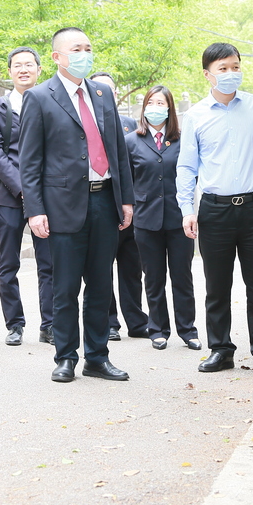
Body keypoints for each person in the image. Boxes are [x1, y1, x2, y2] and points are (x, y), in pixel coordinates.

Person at [18, 28, 135, 383]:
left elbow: (117, 151)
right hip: (62, 206)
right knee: (65, 288)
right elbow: (29, 160)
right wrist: (35, 209)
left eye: (87, 47)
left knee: (101, 285)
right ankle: (65, 356)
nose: (84, 54)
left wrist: (126, 199)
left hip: (104, 200)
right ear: (57, 57)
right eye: (76, 49)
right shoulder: (39, 97)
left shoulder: (102, 93)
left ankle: (97, 357)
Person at [177, 42, 253, 376]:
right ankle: (221, 349)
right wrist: (187, 208)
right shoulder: (195, 115)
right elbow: (186, 167)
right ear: (207, 74)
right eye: (222, 68)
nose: (230, 74)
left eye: (235, 67)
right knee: (217, 285)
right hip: (214, 210)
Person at [0, 47, 54, 347]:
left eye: (29, 65)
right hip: (9, 197)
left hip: (48, 197)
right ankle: (15, 324)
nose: (23, 69)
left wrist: (39, 191)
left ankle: (49, 324)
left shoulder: (52, 103)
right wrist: (25, 189)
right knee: (8, 263)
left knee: (49, 263)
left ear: (39, 69)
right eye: (17, 65)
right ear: (10, 71)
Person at [126, 86, 201, 351]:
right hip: (146, 220)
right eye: (151, 102)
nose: (155, 107)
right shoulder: (132, 141)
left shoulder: (183, 140)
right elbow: (126, 181)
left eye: (161, 102)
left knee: (182, 276)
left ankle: (188, 330)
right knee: (153, 277)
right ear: (144, 107)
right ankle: (157, 329)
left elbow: (193, 176)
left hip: (180, 218)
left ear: (169, 108)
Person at [91, 71, 149, 342]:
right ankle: (110, 322)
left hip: (130, 208)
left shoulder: (130, 125)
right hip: (101, 207)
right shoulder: (85, 123)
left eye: (109, 91)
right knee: (101, 270)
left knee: (131, 270)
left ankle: (137, 321)